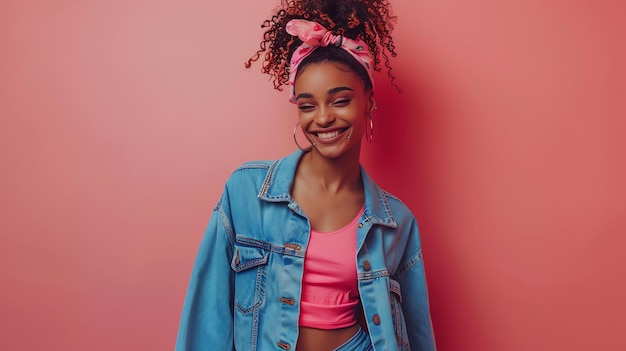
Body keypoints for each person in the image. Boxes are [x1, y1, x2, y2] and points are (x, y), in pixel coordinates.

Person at [175, 0, 436, 350]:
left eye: (340, 100)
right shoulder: (246, 192)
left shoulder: (395, 222)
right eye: (307, 105)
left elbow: (417, 335)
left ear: (368, 100)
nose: (323, 118)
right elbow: (207, 314)